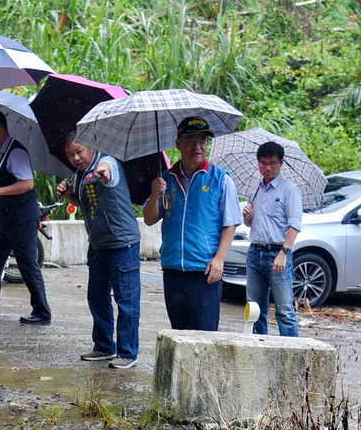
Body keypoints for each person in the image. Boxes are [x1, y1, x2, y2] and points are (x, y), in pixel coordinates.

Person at [143, 116, 240, 332]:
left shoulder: (220, 179)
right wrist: (154, 194)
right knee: (179, 334)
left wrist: (219, 260)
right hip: (173, 269)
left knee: (205, 337)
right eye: (190, 140)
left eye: (203, 140)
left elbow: (230, 223)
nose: (197, 146)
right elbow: (150, 219)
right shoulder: (166, 179)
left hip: (204, 271)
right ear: (178, 144)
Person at [56, 133, 141, 369]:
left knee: (127, 301)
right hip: (98, 245)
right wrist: (70, 195)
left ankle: (128, 352)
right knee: (97, 297)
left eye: (79, 151)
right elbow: (89, 203)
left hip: (122, 244)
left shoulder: (107, 161)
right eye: (70, 154)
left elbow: (107, 170)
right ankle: (104, 346)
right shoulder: (81, 174)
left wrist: (103, 170)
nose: (75, 157)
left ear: (92, 147)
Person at [0, 110, 52, 325]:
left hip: (22, 217)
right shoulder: (2, 152)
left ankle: (42, 311)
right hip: (8, 218)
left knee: (27, 263)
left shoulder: (15, 152)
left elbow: (27, 183)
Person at [242, 141, 303, 337]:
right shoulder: (255, 190)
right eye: (263, 163)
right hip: (255, 252)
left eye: (273, 163)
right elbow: (251, 224)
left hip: (277, 253)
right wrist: (247, 216)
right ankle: (260, 348)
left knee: (284, 310)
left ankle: (294, 357)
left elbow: (294, 224)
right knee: (255, 309)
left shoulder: (289, 189)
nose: (267, 168)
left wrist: (283, 253)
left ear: (281, 163)